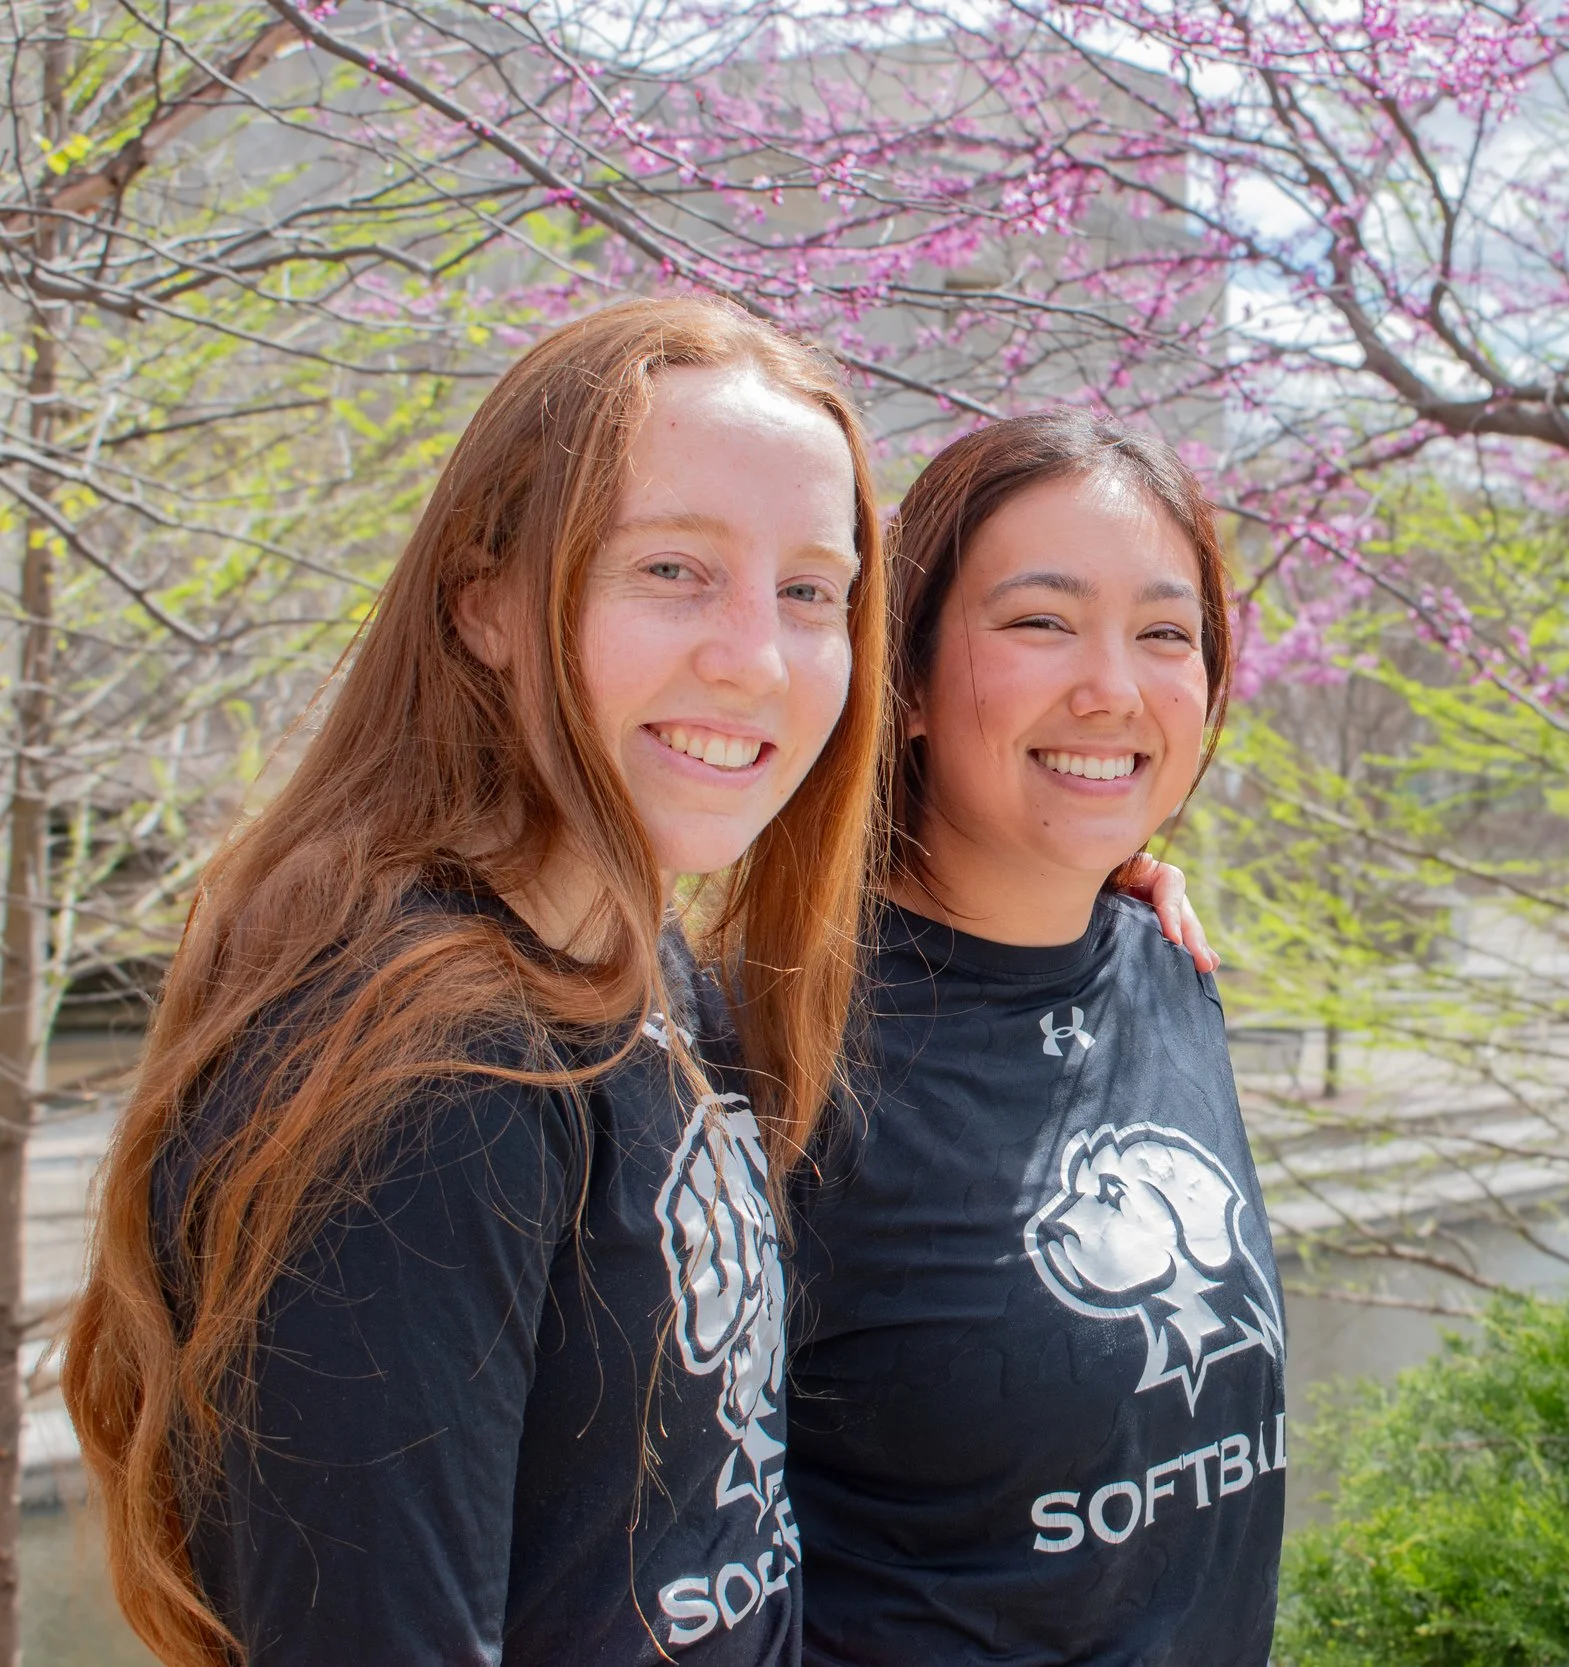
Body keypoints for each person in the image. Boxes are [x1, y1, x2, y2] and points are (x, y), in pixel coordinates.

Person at [62, 297, 890, 1667]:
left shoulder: (637, 962)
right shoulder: (434, 1075)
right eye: (675, 568)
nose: (755, 654)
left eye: (811, 590)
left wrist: (1108, 888)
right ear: (485, 599)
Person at [785, 410, 1284, 1666]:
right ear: (898, 677)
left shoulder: (1172, 975)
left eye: (1165, 633)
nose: (1111, 686)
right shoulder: (773, 1047)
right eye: (1040, 620)